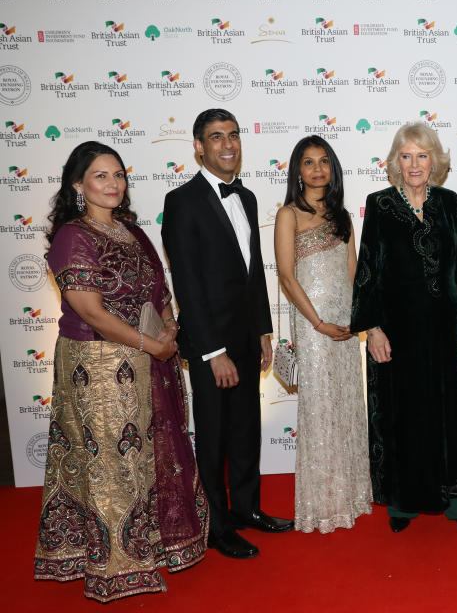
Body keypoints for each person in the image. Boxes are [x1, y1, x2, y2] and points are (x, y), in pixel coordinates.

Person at [35, 142, 208, 602]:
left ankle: (151, 546)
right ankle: (116, 565)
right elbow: (90, 311)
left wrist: (169, 328)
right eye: (100, 176)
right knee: (111, 464)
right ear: (78, 185)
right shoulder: (74, 236)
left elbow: (158, 290)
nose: (113, 184)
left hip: (147, 360)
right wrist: (151, 344)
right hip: (99, 365)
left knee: (147, 461)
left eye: (119, 175)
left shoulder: (131, 230)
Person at [162, 108, 292, 560]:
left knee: (245, 429)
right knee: (214, 435)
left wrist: (262, 330)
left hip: (244, 335)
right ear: (199, 147)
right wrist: (213, 351)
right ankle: (216, 526)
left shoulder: (250, 197)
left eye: (233, 135)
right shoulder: (182, 201)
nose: (228, 144)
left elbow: (253, 273)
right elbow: (188, 284)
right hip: (209, 341)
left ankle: (247, 510)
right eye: (216, 137)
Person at [351, 122, 457, 536]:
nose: (414, 164)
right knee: (401, 417)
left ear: (434, 160)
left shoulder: (448, 202)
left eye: (422, 155)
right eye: (405, 156)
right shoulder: (380, 204)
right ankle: (403, 503)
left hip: (443, 332)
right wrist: (372, 329)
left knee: (447, 418)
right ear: (395, 162)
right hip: (397, 334)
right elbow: (368, 272)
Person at [274, 135, 372, 533]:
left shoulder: (342, 215)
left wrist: (356, 319)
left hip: (345, 324)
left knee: (347, 404)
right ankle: (322, 502)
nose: (317, 169)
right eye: (309, 162)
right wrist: (316, 323)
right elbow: (286, 275)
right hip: (313, 325)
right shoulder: (288, 215)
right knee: (319, 408)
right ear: (298, 169)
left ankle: (350, 494)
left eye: (324, 162)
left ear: (333, 169)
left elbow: (353, 271)